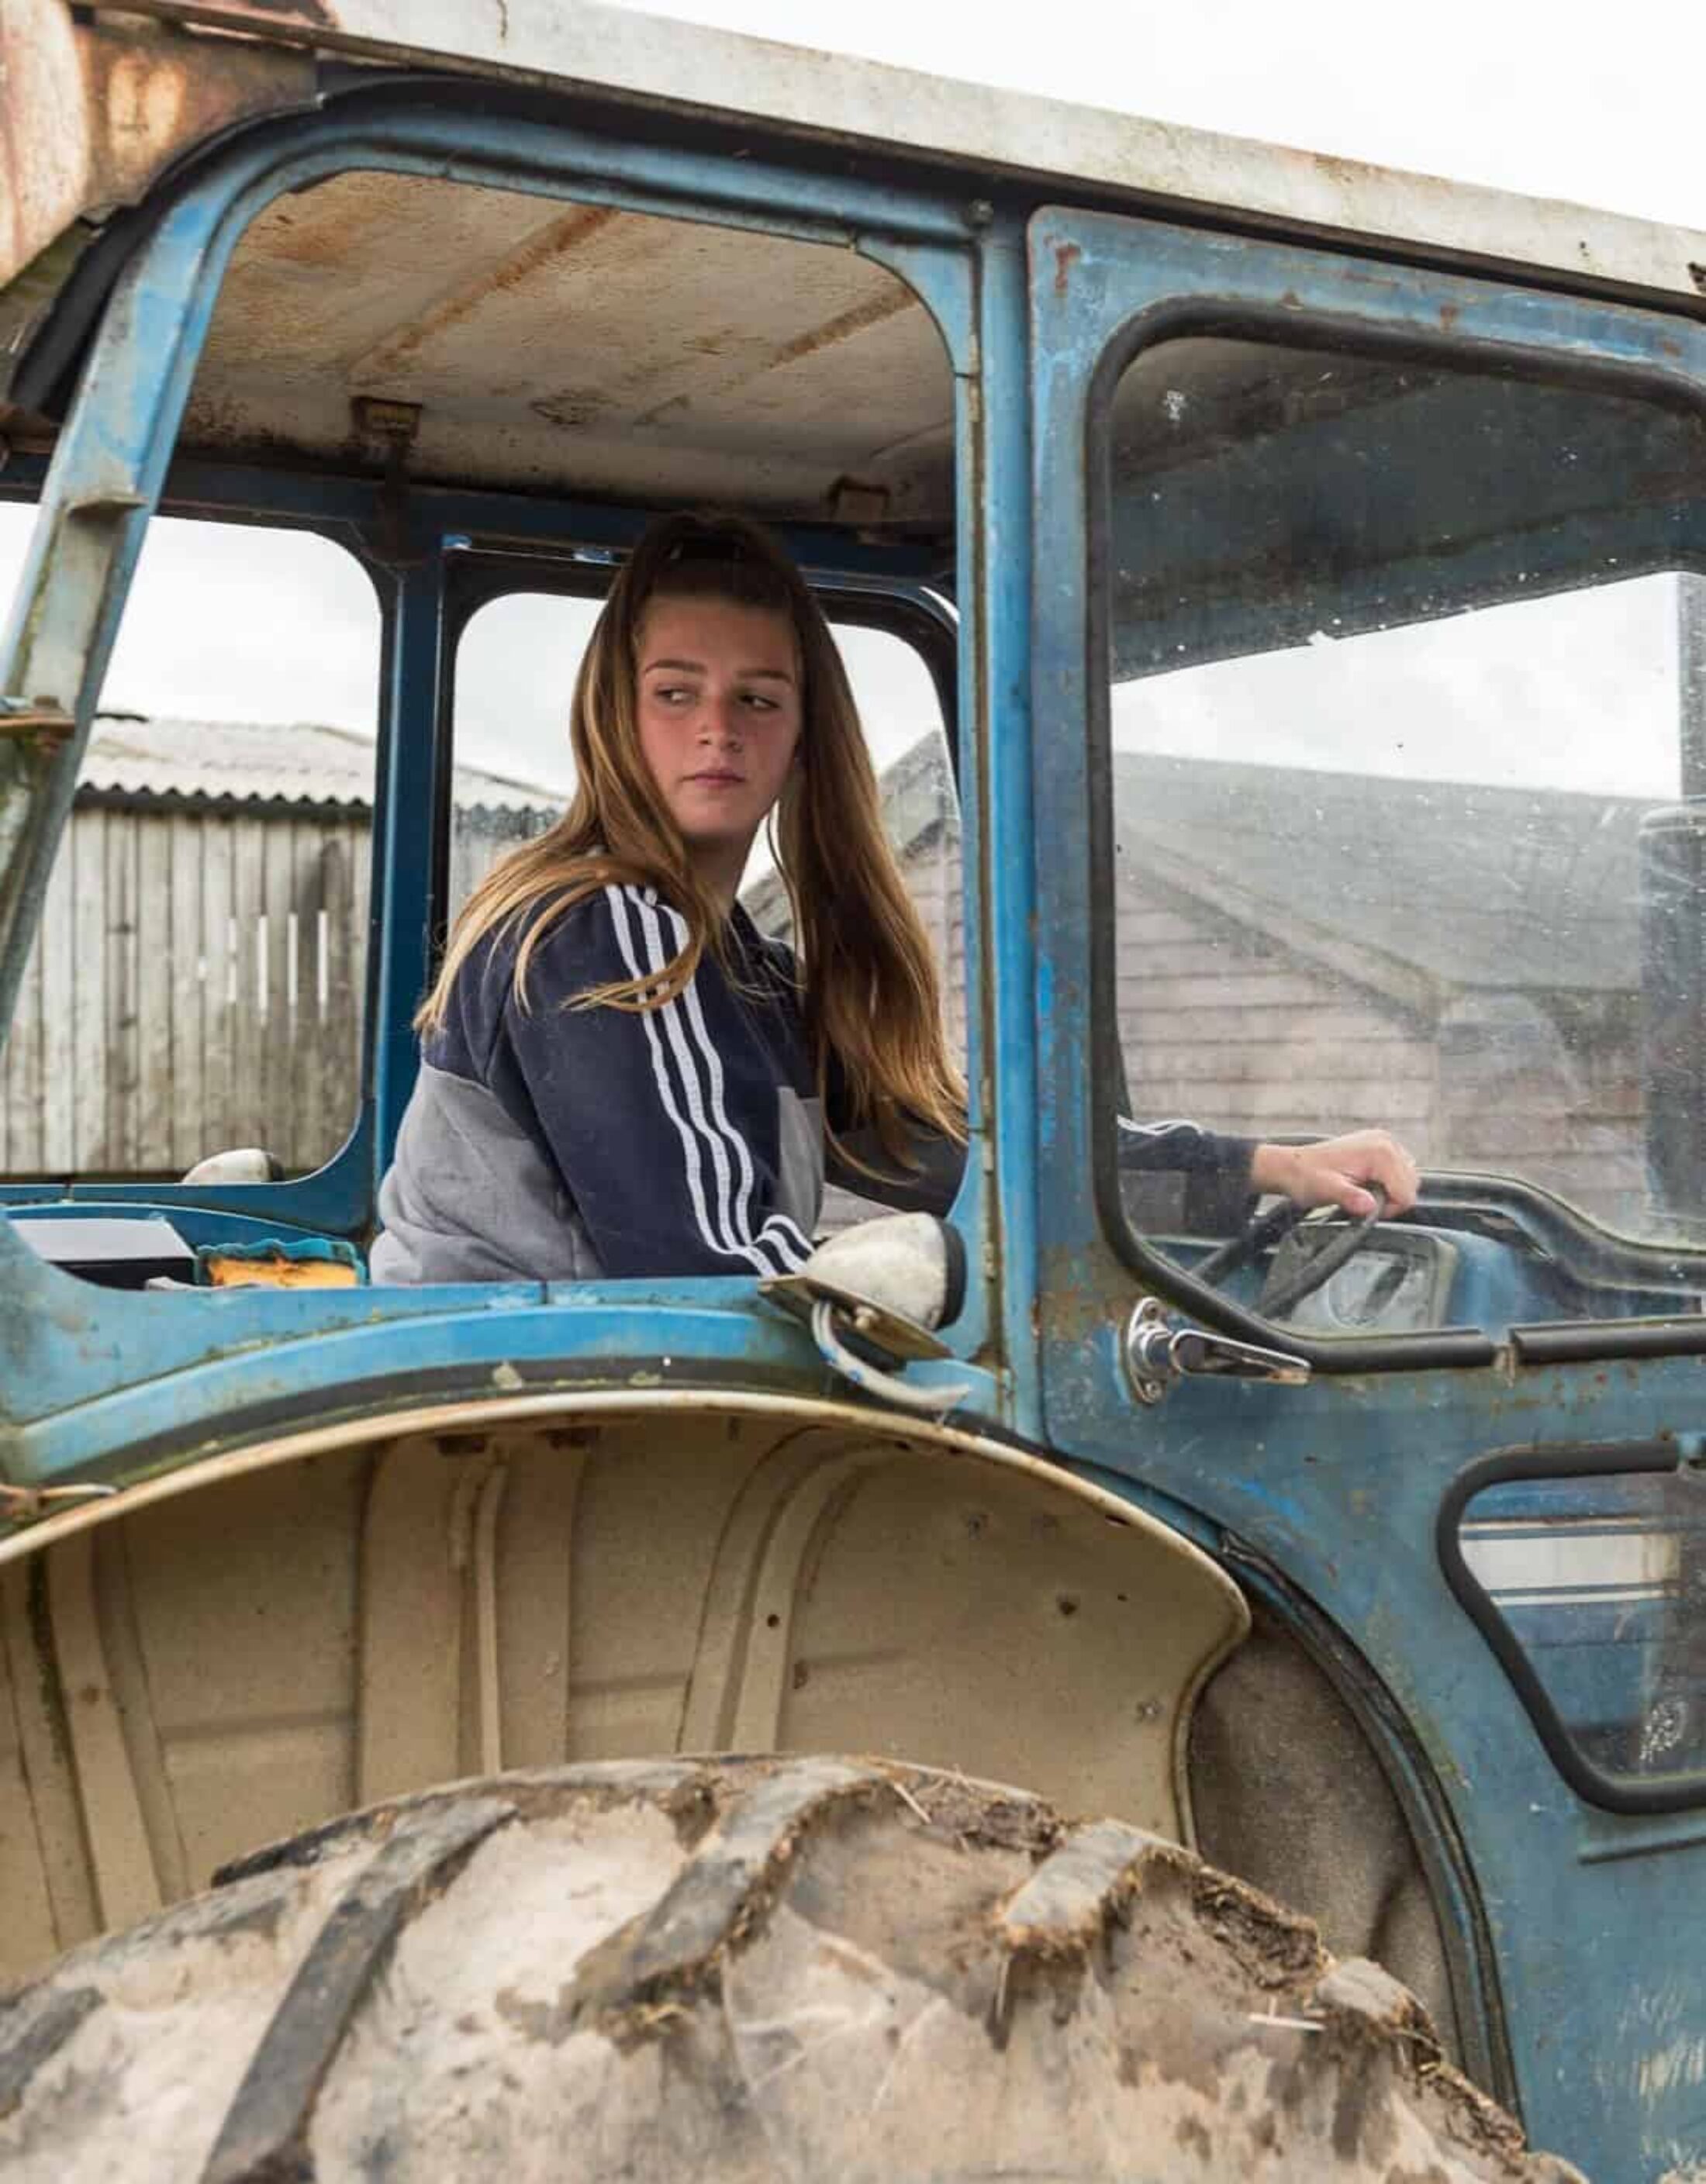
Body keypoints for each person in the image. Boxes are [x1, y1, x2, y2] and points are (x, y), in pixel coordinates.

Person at [370, 512, 1416, 1285]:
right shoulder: (601, 929)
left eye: (758, 699)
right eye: (676, 691)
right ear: (615, 712)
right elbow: (709, 1263)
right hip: (517, 1434)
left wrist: (1269, 1167)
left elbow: (950, 1150)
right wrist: (964, 1293)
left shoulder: (748, 977)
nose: (717, 729)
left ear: (803, 732)